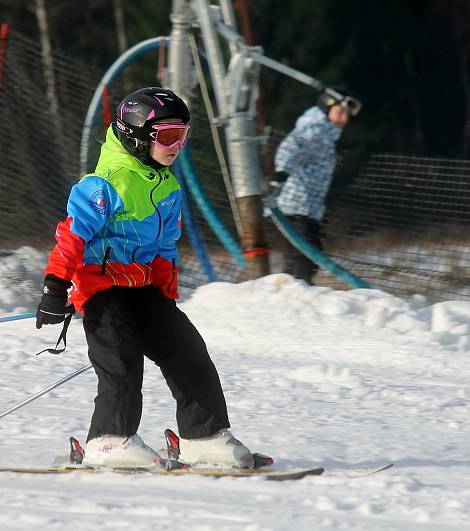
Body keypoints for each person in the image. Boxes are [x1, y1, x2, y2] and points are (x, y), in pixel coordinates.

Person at [34, 87, 253, 469]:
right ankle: (108, 440)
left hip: (144, 287)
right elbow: (71, 237)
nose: (176, 146)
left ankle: (203, 437)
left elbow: (167, 245)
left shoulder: (166, 185)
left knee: (188, 352)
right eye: (167, 136)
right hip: (101, 287)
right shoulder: (103, 185)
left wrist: (166, 293)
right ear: (137, 135)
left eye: (183, 136)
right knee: (121, 357)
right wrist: (55, 286)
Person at [271, 86, 361, 284]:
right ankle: (297, 290)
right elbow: (290, 147)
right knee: (307, 255)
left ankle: (292, 288)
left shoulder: (326, 133)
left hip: (309, 207)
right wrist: (280, 174)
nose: (343, 119)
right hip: (298, 205)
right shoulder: (316, 130)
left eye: (346, 115)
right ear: (326, 108)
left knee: (304, 255)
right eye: (339, 113)